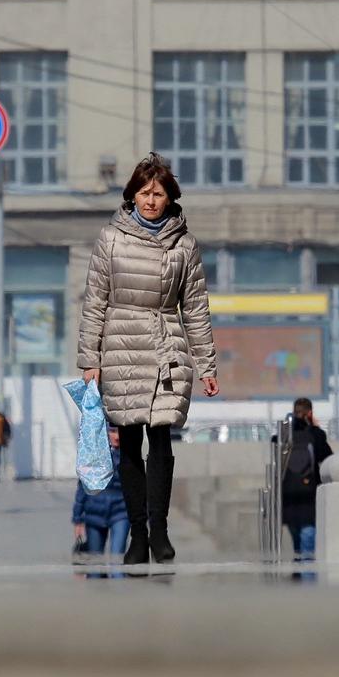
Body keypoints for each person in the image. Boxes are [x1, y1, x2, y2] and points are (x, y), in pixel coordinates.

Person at [78, 152, 218, 565]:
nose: (150, 200)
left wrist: (207, 365)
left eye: (158, 193)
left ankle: (160, 529)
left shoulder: (185, 245)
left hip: (166, 344)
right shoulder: (110, 239)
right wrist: (89, 359)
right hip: (120, 345)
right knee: (129, 443)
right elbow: (95, 302)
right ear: (132, 196)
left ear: (170, 197)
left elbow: (195, 308)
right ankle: (136, 533)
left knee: (161, 437)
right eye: (144, 192)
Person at [279, 398, 333, 561]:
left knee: (297, 544)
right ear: (310, 413)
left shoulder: (283, 436)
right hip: (309, 496)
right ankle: (307, 582)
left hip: (288, 496)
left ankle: (299, 577)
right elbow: (328, 457)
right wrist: (315, 428)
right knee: (308, 547)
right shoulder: (315, 435)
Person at [72, 424, 129, 559]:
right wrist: (77, 519)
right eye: (113, 431)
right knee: (95, 568)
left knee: (117, 562)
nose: (117, 437)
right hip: (94, 514)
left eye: (120, 432)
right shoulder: (94, 453)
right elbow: (82, 487)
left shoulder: (129, 455)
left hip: (120, 512)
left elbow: (138, 487)